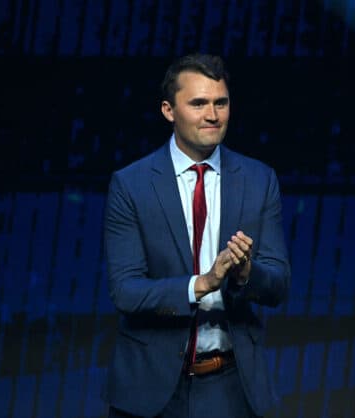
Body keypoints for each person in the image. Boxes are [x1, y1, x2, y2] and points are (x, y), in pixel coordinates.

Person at [103, 53, 291, 418]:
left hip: (229, 387)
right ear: (168, 110)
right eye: (198, 103)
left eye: (221, 103)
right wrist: (201, 284)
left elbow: (278, 284)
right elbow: (126, 290)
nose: (212, 115)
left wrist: (245, 274)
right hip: (148, 390)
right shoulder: (131, 185)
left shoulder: (259, 180)